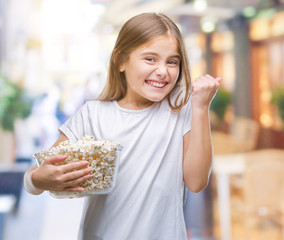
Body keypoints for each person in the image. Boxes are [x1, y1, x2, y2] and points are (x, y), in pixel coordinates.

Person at [24, 12, 221, 240]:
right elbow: (39, 172)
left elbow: (196, 182)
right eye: (150, 59)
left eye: (172, 61)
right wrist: (37, 180)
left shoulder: (181, 110)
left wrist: (200, 108)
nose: (162, 70)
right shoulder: (92, 115)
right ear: (120, 61)